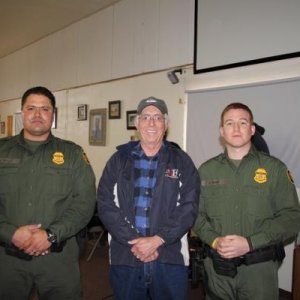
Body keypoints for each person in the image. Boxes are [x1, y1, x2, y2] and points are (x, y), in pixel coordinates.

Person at [193, 102, 300, 300]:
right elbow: (195, 215)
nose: (235, 128)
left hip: (259, 271)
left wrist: (250, 243)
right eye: (229, 123)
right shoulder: (206, 170)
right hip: (217, 270)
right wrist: (215, 240)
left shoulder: (274, 169)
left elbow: (292, 218)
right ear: (221, 131)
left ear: (251, 130)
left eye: (242, 123)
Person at [97, 96, 200, 300]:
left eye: (157, 117)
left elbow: (189, 206)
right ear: (136, 124)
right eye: (145, 117)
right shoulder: (118, 160)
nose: (151, 123)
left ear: (166, 124)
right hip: (126, 256)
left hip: (170, 258)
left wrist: (157, 240)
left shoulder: (182, 161)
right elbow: (105, 203)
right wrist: (136, 242)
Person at [0, 86, 96, 300]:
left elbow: (85, 203)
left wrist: (51, 235)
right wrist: (10, 233)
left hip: (58, 258)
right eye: (31, 108)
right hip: (7, 257)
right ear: (22, 112)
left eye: (45, 109)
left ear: (53, 114)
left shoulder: (72, 153)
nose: (37, 114)